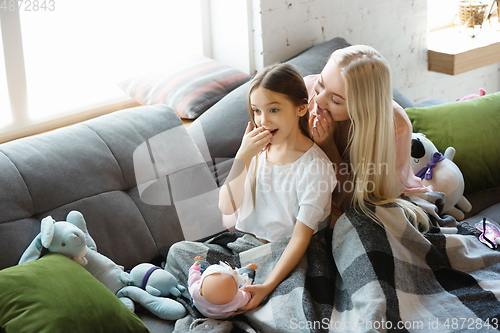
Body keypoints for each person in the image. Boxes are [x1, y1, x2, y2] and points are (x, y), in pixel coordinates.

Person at [218, 63, 336, 311]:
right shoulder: (256, 152)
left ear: (301, 108)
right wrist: (243, 157)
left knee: (287, 308)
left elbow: (300, 239)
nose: (263, 120)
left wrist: (266, 287)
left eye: (273, 109)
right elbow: (226, 205)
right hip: (246, 249)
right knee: (178, 252)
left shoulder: (315, 167)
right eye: (257, 111)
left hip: (289, 256)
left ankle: (237, 298)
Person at [304, 44, 430, 230]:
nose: (320, 99)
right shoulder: (306, 90)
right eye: (321, 84)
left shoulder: (395, 126)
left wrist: (328, 147)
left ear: (362, 107)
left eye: (336, 100)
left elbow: (361, 203)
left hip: (365, 195)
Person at [188, 256, 257, 319]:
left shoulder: (195, 291)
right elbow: (247, 294)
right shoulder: (238, 298)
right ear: (236, 291)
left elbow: (192, 278)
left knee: (201, 270)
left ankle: (201, 263)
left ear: (200, 290)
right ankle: (246, 271)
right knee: (245, 279)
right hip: (224, 316)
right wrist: (246, 286)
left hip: (200, 310)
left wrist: (193, 270)